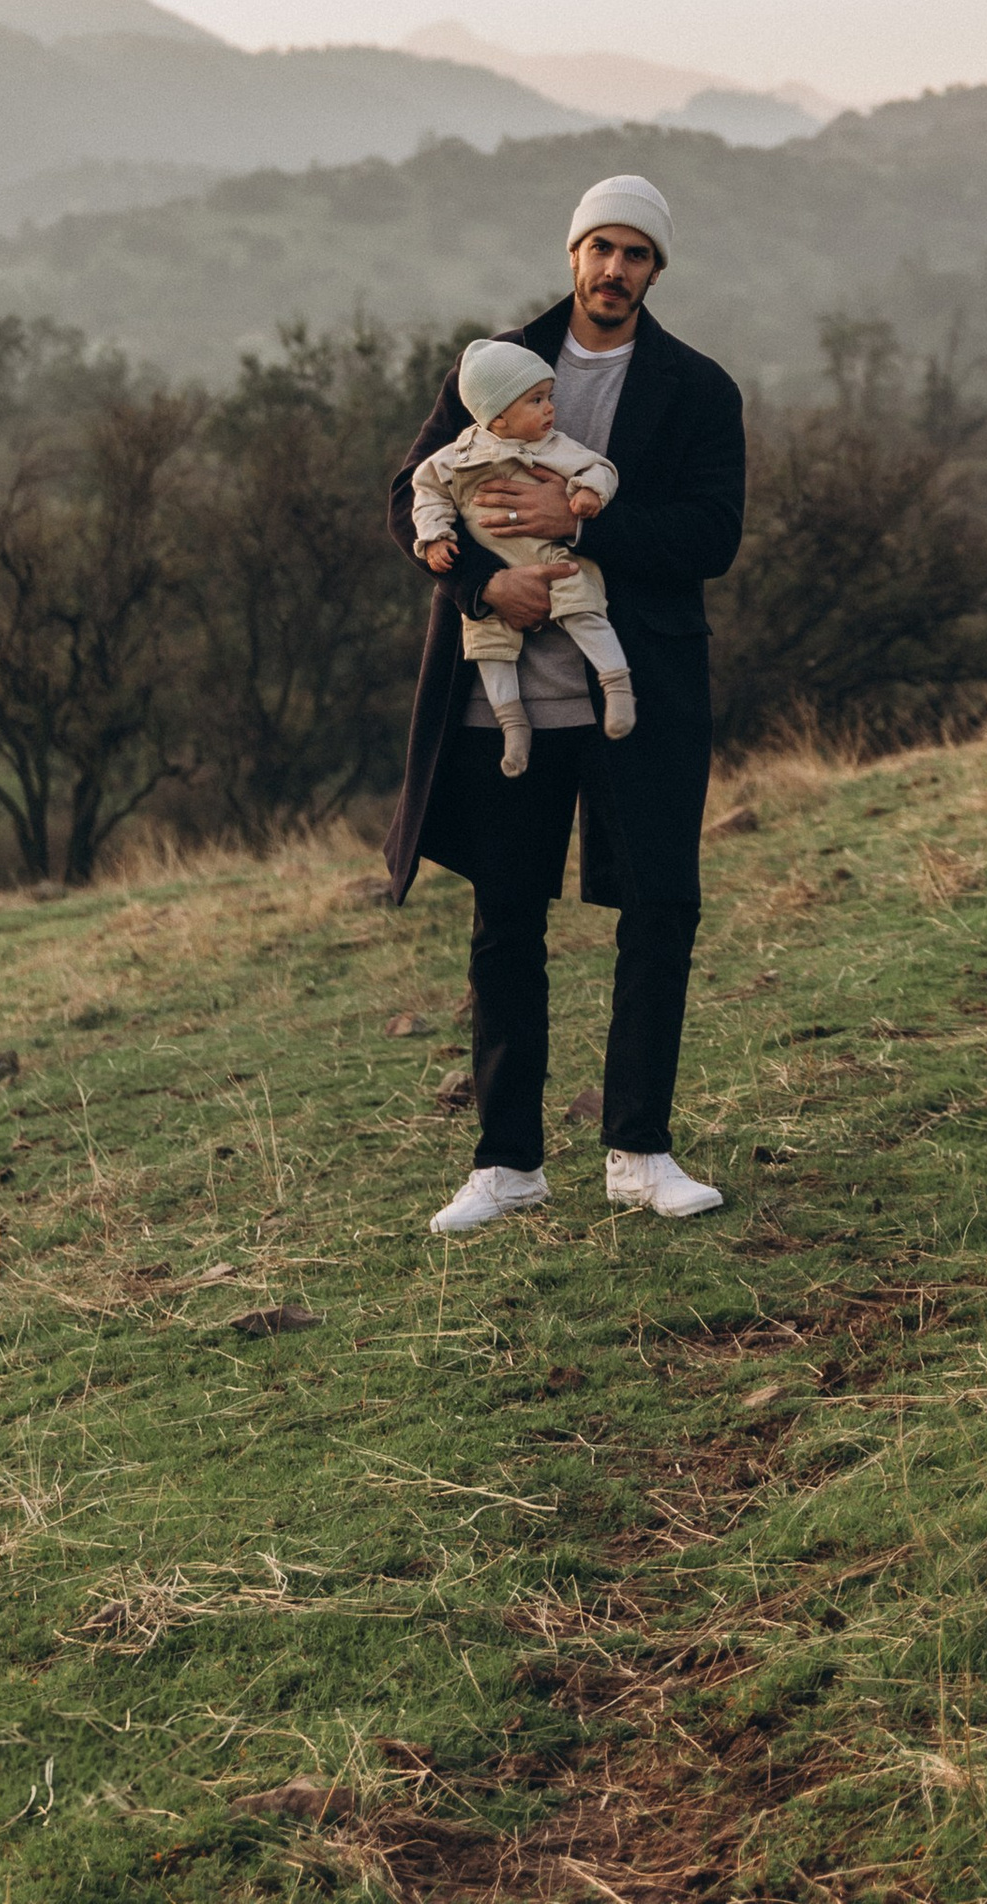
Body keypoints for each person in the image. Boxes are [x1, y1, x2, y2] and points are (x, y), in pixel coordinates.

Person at [383, 172, 746, 1236]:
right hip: (506, 700)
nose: (614, 269)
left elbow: (711, 536)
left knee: (658, 912)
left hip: (640, 691)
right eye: (601, 248)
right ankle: (507, 1165)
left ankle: (640, 1152)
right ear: (573, 254)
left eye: (636, 254)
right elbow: (410, 496)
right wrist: (479, 586)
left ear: (656, 270)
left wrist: (578, 525)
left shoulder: (697, 387)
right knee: (504, 922)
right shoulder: (492, 365)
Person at [409, 339, 631, 777]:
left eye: (549, 397)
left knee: (584, 609)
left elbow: (598, 467)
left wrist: (589, 492)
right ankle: (513, 725)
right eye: (536, 400)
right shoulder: (457, 456)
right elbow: (425, 492)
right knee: (489, 646)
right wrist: (434, 538)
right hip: (495, 575)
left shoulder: (552, 446)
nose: (550, 409)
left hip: (552, 558)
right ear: (497, 416)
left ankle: (617, 685)